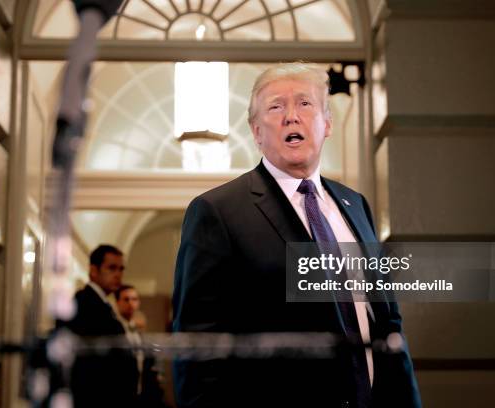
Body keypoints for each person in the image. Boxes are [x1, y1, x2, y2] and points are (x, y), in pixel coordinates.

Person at [172, 63, 421, 408]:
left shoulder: (355, 205)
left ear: (327, 124)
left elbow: (388, 323)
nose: (291, 116)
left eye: (305, 104)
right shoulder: (217, 212)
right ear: (256, 131)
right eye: (276, 107)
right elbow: (197, 349)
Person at [64, 244, 138, 407]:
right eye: (112, 268)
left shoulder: (100, 304)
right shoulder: (85, 303)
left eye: (121, 269)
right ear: (93, 270)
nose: (118, 274)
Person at [115, 284, 166, 408]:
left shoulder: (139, 334)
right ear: (117, 302)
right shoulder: (114, 330)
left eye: (134, 299)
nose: (130, 303)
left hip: (141, 395)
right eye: (126, 299)